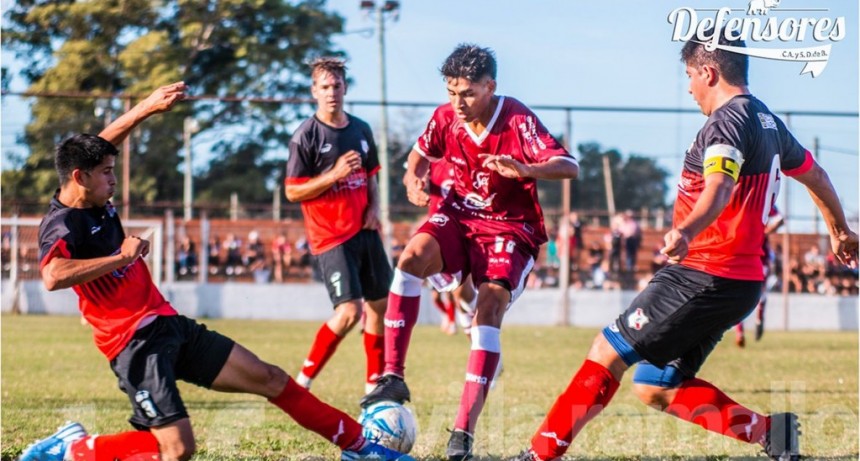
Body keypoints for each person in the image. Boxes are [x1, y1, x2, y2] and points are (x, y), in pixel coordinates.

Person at [512, 31, 858, 461]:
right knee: (655, 385)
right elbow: (817, 176)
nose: (689, 88)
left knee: (606, 354)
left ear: (709, 73)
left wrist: (688, 231)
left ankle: (539, 455)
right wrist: (839, 230)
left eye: (690, 76)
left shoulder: (726, 123)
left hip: (702, 273)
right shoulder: (768, 121)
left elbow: (719, 186)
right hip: (739, 283)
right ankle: (773, 432)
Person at [22, 82, 412, 461]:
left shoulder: (90, 184)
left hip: (168, 323)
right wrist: (120, 258)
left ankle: (362, 448)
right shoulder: (62, 224)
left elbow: (103, 143)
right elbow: (53, 275)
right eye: (106, 172)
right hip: (132, 344)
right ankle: (72, 450)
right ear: (80, 177)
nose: (113, 178)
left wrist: (147, 107)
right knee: (177, 450)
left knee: (271, 378)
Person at [359, 44, 579, 460]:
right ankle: (392, 375)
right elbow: (418, 157)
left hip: (510, 229)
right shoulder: (445, 117)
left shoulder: (515, 117)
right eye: (451, 91)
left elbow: (570, 166)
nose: (457, 103)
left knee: (489, 309)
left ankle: (462, 433)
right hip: (459, 219)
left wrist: (527, 168)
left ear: (490, 86)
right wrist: (412, 180)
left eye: (468, 93)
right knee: (409, 260)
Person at [284, 57, 392, 393]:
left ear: (345, 88)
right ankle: (302, 384)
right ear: (314, 91)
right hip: (331, 237)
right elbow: (292, 191)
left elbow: (371, 176)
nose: (332, 92)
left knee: (380, 305)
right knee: (348, 313)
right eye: (325, 87)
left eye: (337, 86)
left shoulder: (361, 129)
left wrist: (375, 208)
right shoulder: (306, 136)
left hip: (365, 230)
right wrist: (334, 175)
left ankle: (374, 387)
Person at [734, 207, 784, 347]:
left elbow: (780, 220)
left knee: (758, 293)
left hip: (761, 257)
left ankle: (758, 319)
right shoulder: (736, 200)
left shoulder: (765, 199)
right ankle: (740, 332)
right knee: (738, 295)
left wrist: (765, 232)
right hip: (740, 254)